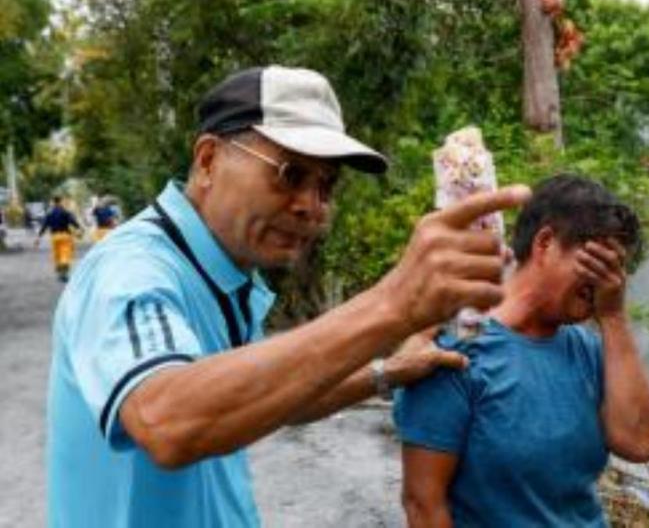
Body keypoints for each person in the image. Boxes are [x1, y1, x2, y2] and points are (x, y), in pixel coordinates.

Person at [47, 65, 531, 528]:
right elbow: (165, 420)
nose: (310, 207)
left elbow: (268, 397)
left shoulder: (224, 271)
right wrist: (393, 304)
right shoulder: (131, 269)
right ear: (209, 160)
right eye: (289, 174)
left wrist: (388, 372)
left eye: (325, 185)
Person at [394, 174, 649, 527]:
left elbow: (640, 443)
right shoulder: (456, 350)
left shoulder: (589, 350)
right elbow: (423, 503)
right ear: (546, 243)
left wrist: (613, 316)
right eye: (597, 264)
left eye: (615, 270)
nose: (605, 282)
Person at [35, 195, 83, 282]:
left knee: (57, 255)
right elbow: (73, 222)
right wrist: (79, 229)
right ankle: (64, 274)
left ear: (53, 202)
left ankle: (60, 273)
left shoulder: (49, 213)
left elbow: (44, 226)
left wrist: (39, 237)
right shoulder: (66, 212)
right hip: (65, 236)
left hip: (54, 237)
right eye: (63, 201)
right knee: (65, 254)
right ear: (60, 202)